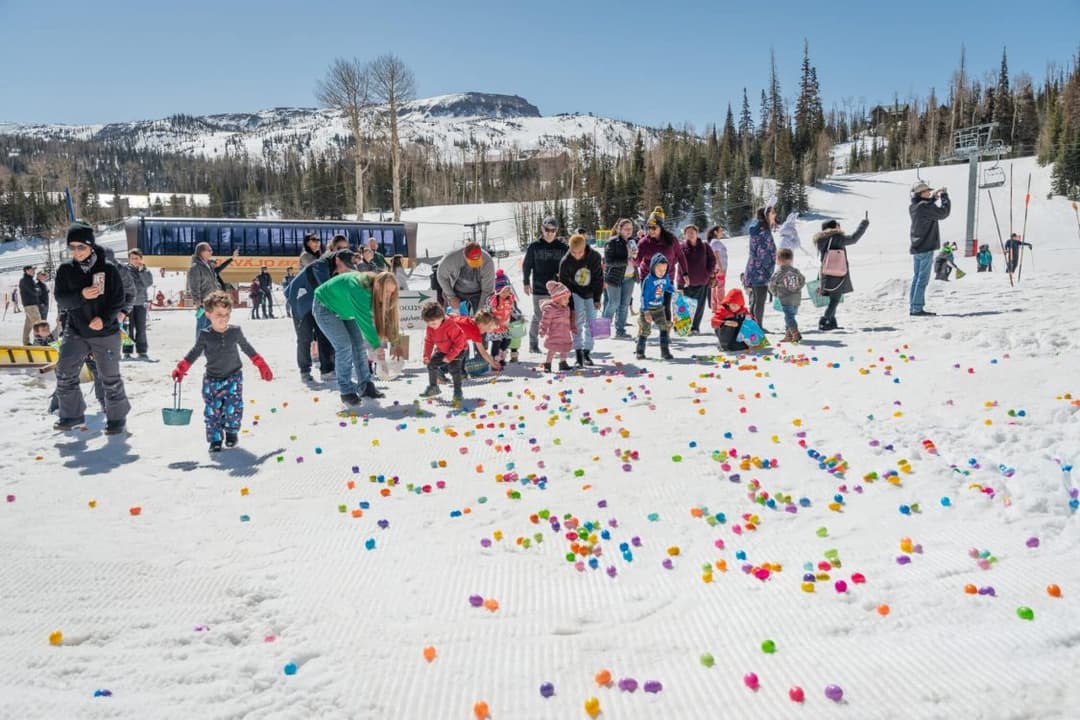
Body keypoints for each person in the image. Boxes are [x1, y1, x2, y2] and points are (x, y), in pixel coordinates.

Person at [52, 222, 131, 434]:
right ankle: (71, 415)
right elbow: (61, 298)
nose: (76, 252)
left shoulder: (108, 269)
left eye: (81, 247)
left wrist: (104, 319)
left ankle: (117, 418)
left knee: (109, 377)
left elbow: (118, 299)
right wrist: (81, 295)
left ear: (91, 247)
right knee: (64, 372)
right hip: (76, 331)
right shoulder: (66, 270)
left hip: (105, 333)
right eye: (72, 247)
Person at [171, 290, 272, 452]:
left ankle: (231, 432)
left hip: (233, 377)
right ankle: (215, 439)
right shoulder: (205, 335)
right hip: (212, 380)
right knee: (213, 411)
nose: (223, 318)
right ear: (208, 314)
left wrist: (261, 364)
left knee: (233, 407)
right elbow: (195, 352)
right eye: (219, 314)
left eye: (227, 314)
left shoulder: (235, 332)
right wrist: (182, 367)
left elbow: (247, 348)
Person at [313, 270, 399, 407]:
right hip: (325, 307)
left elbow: (385, 320)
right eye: (386, 292)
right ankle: (346, 391)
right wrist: (376, 345)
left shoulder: (372, 292)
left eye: (392, 293)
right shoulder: (359, 289)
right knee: (344, 346)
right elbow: (365, 322)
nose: (389, 296)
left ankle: (365, 386)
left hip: (345, 309)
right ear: (377, 286)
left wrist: (394, 342)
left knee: (358, 345)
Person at [285, 249, 352, 383]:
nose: (347, 270)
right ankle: (305, 371)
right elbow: (327, 288)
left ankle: (327, 370)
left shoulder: (333, 268)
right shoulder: (320, 266)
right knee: (305, 339)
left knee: (325, 336)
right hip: (301, 305)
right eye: (347, 266)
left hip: (317, 305)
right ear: (338, 260)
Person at [522, 217, 569, 354]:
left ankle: (557, 344)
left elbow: (569, 265)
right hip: (539, 287)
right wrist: (526, 282)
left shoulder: (562, 247)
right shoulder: (534, 246)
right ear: (542, 229)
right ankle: (533, 344)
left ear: (556, 231)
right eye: (547, 230)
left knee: (558, 317)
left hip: (558, 290)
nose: (549, 233)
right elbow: (527, 266)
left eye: (553, 230)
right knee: (538, 316)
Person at [634, 207, 688, 323]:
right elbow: (637, 262)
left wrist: (685, 273)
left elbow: (680, 255)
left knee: (665, 305)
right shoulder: (644, 242)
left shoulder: (671, 240)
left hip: (667, 277)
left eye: (654, 228)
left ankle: (666, 332)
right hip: (648, 278)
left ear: (661, 227)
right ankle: (643, 330)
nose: (651, 230)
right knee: (648, 305)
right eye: (648, 227)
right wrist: (634, 256)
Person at [815, 216, 869, 330]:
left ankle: (832, 322)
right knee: (835, 300)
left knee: (833, 298)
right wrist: (864, 224)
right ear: (833, 227)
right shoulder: (836, 238)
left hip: (826, 273)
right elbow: (854, 238)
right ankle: (824, 320)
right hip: (837, 273)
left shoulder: (822, 239)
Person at [558, 233, 604, 367]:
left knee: (591, 322)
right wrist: (570, 306)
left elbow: (598, 279)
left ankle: (587, 352)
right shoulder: (565, 262)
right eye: (573, 252)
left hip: (590, 292)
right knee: (576, 323)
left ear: (585, 247)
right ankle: (578, 354)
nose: (577, 255)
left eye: (580, 252)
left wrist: (597, 298)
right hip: (574, 293)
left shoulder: (594, 257)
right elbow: (564, 286)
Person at [909, 181, 950, 316]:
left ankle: (913, 307)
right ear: (921, 193)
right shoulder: (924, 206)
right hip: (926, 246)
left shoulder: (914, 206)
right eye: (927, 191)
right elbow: (943, 213)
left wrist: (934, 198)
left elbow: (925, 206)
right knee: (922, 280)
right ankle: (917, 308)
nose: (929, 192)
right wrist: (944, 197)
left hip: (917, 246)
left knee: (917, 278)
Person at [419, 301, 468, 405]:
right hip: (443, 350)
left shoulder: (450, 326)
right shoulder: (430, 328)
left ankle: (458, 391)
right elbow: (429, 341)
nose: (431, 326)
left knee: (454, 369)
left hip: (458, 350)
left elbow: (459, 342)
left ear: (441, 318)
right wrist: (426, 356)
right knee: (431, 364)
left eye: (434, 323)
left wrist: (450, 356)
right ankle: (433, 387)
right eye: (428, 323)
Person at [677, 224, 716, 334]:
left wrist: (708, 273)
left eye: (692, 232)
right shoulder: (681, 247)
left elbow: (712, 261)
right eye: (688, 232)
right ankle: (684, 327)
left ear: (697, 233)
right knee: (685, 306)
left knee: (699, 306)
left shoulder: (704, 246)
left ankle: (695, 327)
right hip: (686, 283)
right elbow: (678, 266)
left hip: (702, 281)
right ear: (684, 235)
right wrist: (679, 282)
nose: (690, 234)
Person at [438, 242, 495, 317]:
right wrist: (451, 296)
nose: (475, 264)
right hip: (457, 292)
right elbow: (441, 276)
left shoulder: (487, 262)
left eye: (477, 261)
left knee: (481, 319)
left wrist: (480, 312)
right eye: (472, 262)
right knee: (455, 321)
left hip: (480, 293)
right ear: (464, 256)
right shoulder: (451, 259)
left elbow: (487, 290)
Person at [744, 202, 777, 331]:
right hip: (760, 271)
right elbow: (763, 253)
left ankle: (752, 326)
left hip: (755, 269)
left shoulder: (761, 229)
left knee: (756, 300)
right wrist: (768, 270)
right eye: (773, 212)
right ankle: (757, 327)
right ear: (767, 215)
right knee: (759, 300)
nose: (775, 215)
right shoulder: (763, 231)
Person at [602, 219, 637, 339]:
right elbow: (609, 261)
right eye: (626, 229)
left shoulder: (633, 242)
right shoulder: (612, 242)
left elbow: (636, 259)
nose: (628, 231)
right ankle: (602, 329)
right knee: (613, 303)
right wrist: (625, 261)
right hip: (614, 277)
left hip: (630, 277)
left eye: (630, 228)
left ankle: (620, 331)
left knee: (624, 305)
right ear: (619, 229)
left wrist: (636, 258)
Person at [636, 253, 674, 360]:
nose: (662, 273)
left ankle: (665, 352)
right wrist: (646, 311)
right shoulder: (648, 281)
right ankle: (640, 351)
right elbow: (643, 297)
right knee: (645, 330)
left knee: (664, 328)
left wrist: (675, 291)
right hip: (647, 309)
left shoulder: (665, 277)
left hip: (659, 309)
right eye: (659, 270)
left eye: (664, 270)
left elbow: (668, 287)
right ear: (653, 268)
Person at [121, 249, 155, 359]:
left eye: (136, 258)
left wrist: (141, 272)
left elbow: (148, 283)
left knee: (141, 328)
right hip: (127, 303)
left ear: (141, 259)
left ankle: (142, 350)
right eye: (132, 258)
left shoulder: (146, 271)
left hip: (141, 303)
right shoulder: (124, 270)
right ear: (129, 259)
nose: (134, 260)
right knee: (127, 328)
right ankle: (127, 351)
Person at [768, 248, 806, 343]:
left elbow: (771, 284)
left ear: (779, 260)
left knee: (789, 317)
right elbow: (803, 280)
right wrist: (798, 288)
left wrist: (775, 293)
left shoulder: (779, 272)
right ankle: (788, 335)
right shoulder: (796, 271)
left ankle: (795, 333)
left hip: (785, 298)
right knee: (790, 316)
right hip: (796, 298)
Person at [486, 271, 522, 365]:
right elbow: (487, 311)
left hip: (505, 326)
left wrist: (518, 317)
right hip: (495, 327)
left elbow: (513, 311)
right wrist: (491, 319)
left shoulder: (510, 299)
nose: (506, 293)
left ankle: (501, 356)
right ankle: (494, 360)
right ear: (498, 291)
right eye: (503, 291)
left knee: (507, 341)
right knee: (496, 343)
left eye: (508, 290)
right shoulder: (494, 300)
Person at [538, 280, 573, 373]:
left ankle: (563, 363)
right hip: (554, 333)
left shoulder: (566, 309)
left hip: (565, 333)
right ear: (558, 298)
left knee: (564, 348)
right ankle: (548, 364)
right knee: (552, 349)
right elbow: (545, 321)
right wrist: (542, 330)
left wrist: (573, 328)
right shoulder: (550, 309)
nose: (568, 301)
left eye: (568, 298)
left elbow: (569, 321)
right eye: (565, 298)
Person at [187, 242, 220, 336]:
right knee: (202, 328)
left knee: (211, 328)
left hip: (213, 301)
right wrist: (197, 302)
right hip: (203, 303)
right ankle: (200, 350)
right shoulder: (195, 267)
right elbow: (194, 286)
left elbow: (214, 282)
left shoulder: (209, 265)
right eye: (209, 250)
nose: (211, 252)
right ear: (201, 252)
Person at [711, 288, 750, 352]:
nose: (734, 307)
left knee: (745, 320)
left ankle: (739, 343)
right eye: (732, 305)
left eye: (737, 305)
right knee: (729, 347)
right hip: (725, 334)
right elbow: (713, 322)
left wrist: (749, 319)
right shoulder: (722, 310)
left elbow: (753, 321)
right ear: (728, 303)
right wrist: (725, 322)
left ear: (741, 305)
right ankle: (723, 345)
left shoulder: (743, 310)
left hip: (736, 336)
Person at [706, 226, 729, 309]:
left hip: (716, 268)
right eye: (720, 231)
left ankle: (715, 306)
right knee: (720, 287)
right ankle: (721, 306)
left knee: (715, 286)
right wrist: (720, 268)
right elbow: (715, 255)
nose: (722, 232)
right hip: (719, 268)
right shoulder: (716, 242)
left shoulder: (713, 242)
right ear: (715, 232)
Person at [19, 265, 40, 345]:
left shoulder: (30, 280)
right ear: (26, 271)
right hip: (30, 305)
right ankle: (40, 341)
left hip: (31, 305)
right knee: (38, 323)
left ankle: (26, 342)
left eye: (33, 270)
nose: (33, 271)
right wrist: (37, 290)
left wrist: (37, 290)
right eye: (31, 270)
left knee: (28, 325)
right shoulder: (25, 280)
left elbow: (39, 290)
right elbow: (34, 292)